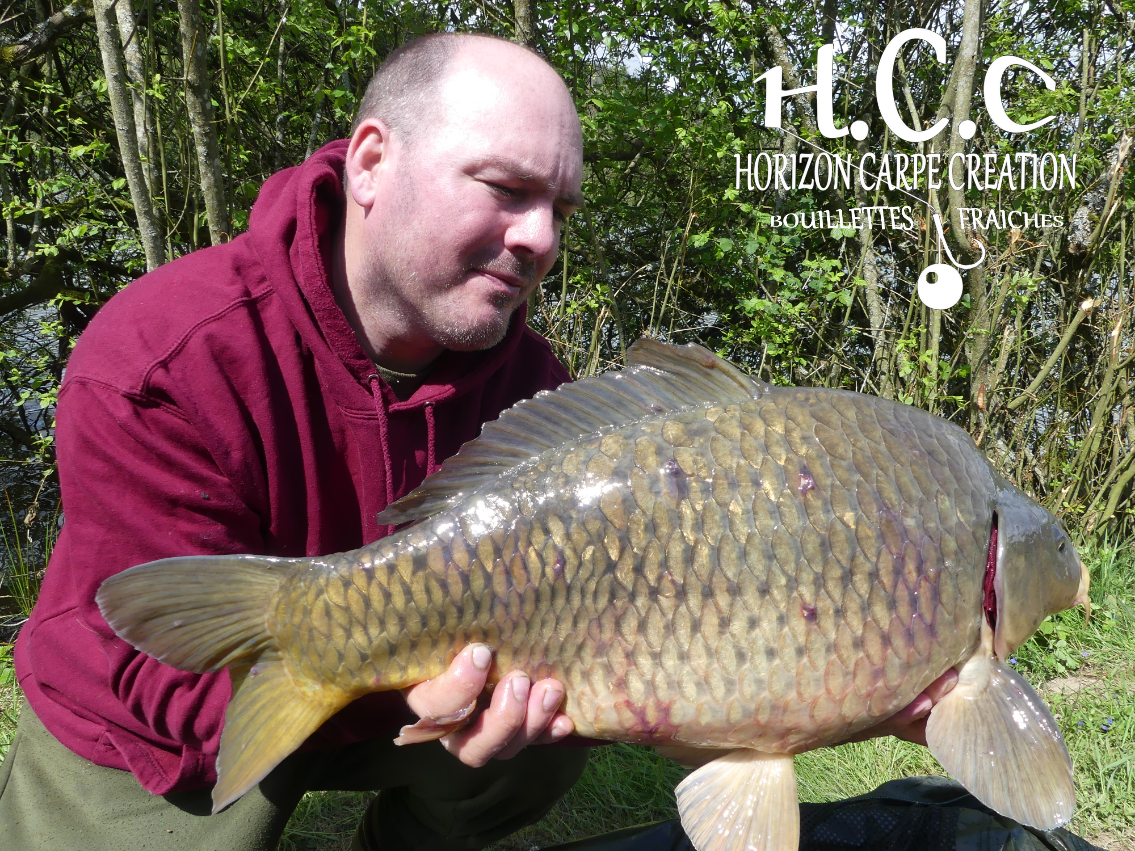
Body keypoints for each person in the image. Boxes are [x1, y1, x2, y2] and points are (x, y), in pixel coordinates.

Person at [0, 31, 954, 851]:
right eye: (503, 188)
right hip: (157, 700)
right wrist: (368, 682)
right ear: (371, 163)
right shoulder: (163, 356)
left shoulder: (532, 382)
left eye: (561, 211)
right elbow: (155, 648)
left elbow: (647, 632)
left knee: (542, 739)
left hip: (412, 691)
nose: (538, 237)